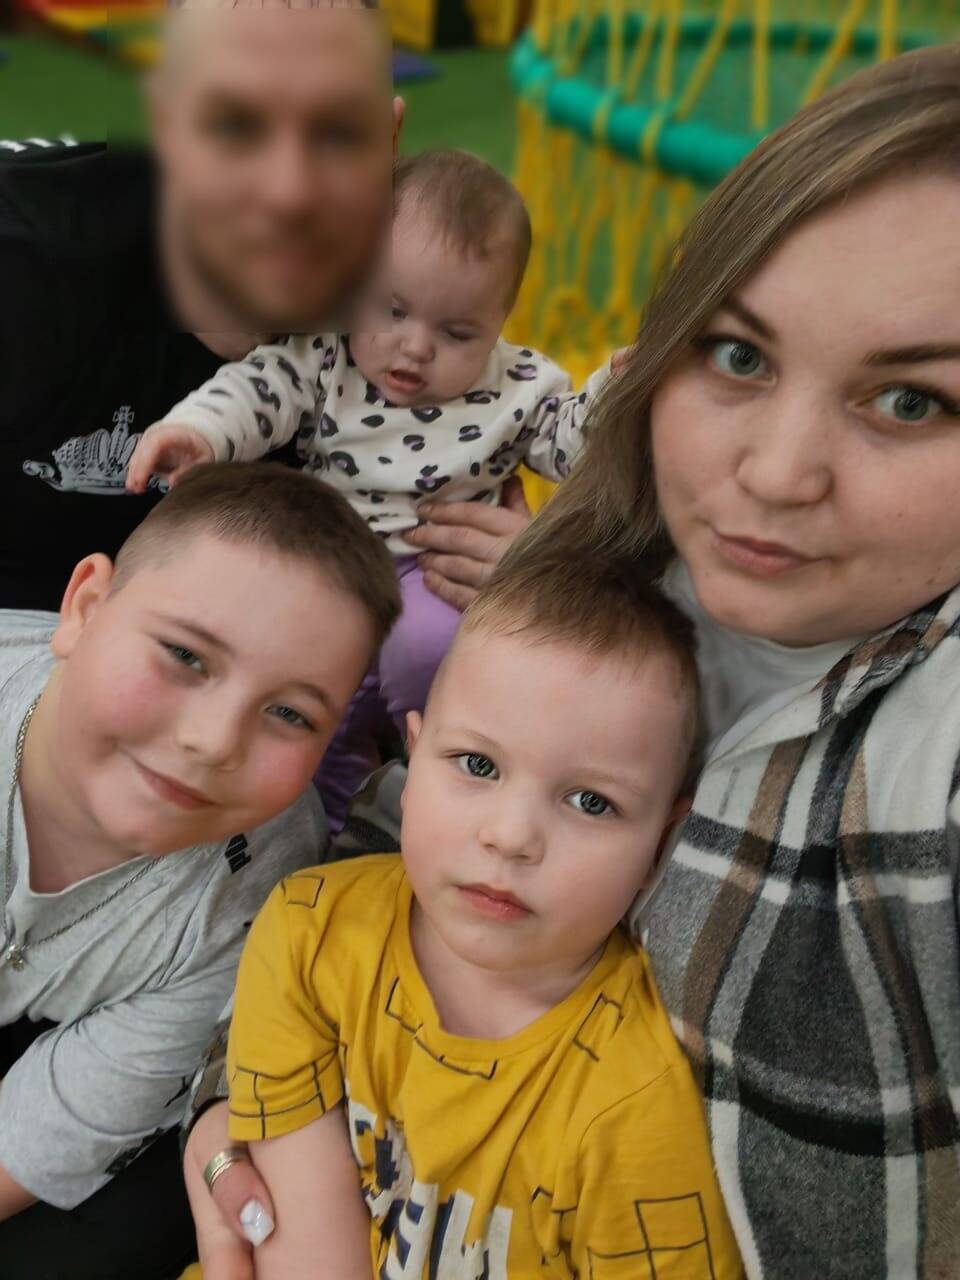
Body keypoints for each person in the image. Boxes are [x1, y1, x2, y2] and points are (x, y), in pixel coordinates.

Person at [186, 42, 960, 1279]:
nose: (774, 474)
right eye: (740, 355)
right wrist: (254, 1108)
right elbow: (371, 902)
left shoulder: (923, 762)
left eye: (912, 400)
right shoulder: (600, 568)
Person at [193, 550, 742, 1280]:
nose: (511, 837)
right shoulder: (308, 932)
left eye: (591, 802)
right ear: (413, 759)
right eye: (477, 765)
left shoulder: (638, 1102)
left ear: (661, 844)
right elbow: (307, 1254)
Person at [127, 149, 621, 830]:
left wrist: (614, 394)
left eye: (457, 332)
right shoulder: (328, 356)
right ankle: (334, 819)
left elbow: (571, 447)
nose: (414, 347)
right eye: (391, 310)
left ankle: (436, 776)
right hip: (328, 564)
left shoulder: (519, 386)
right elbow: (256, 390)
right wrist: (199, 432)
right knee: (307, 696)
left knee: (427, 648)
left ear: (501, 320)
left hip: (434, 570)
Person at [0, 462, 400, 1279]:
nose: (215, 741)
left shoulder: (257, 890)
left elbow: (32, 1139)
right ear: (83, 608)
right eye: (185, 655)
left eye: (289, 713)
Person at [0, 0, 399, 611]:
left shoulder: (425, 296)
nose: (290, 192)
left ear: (388, 139)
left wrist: (504, 571)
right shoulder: (26, 264)